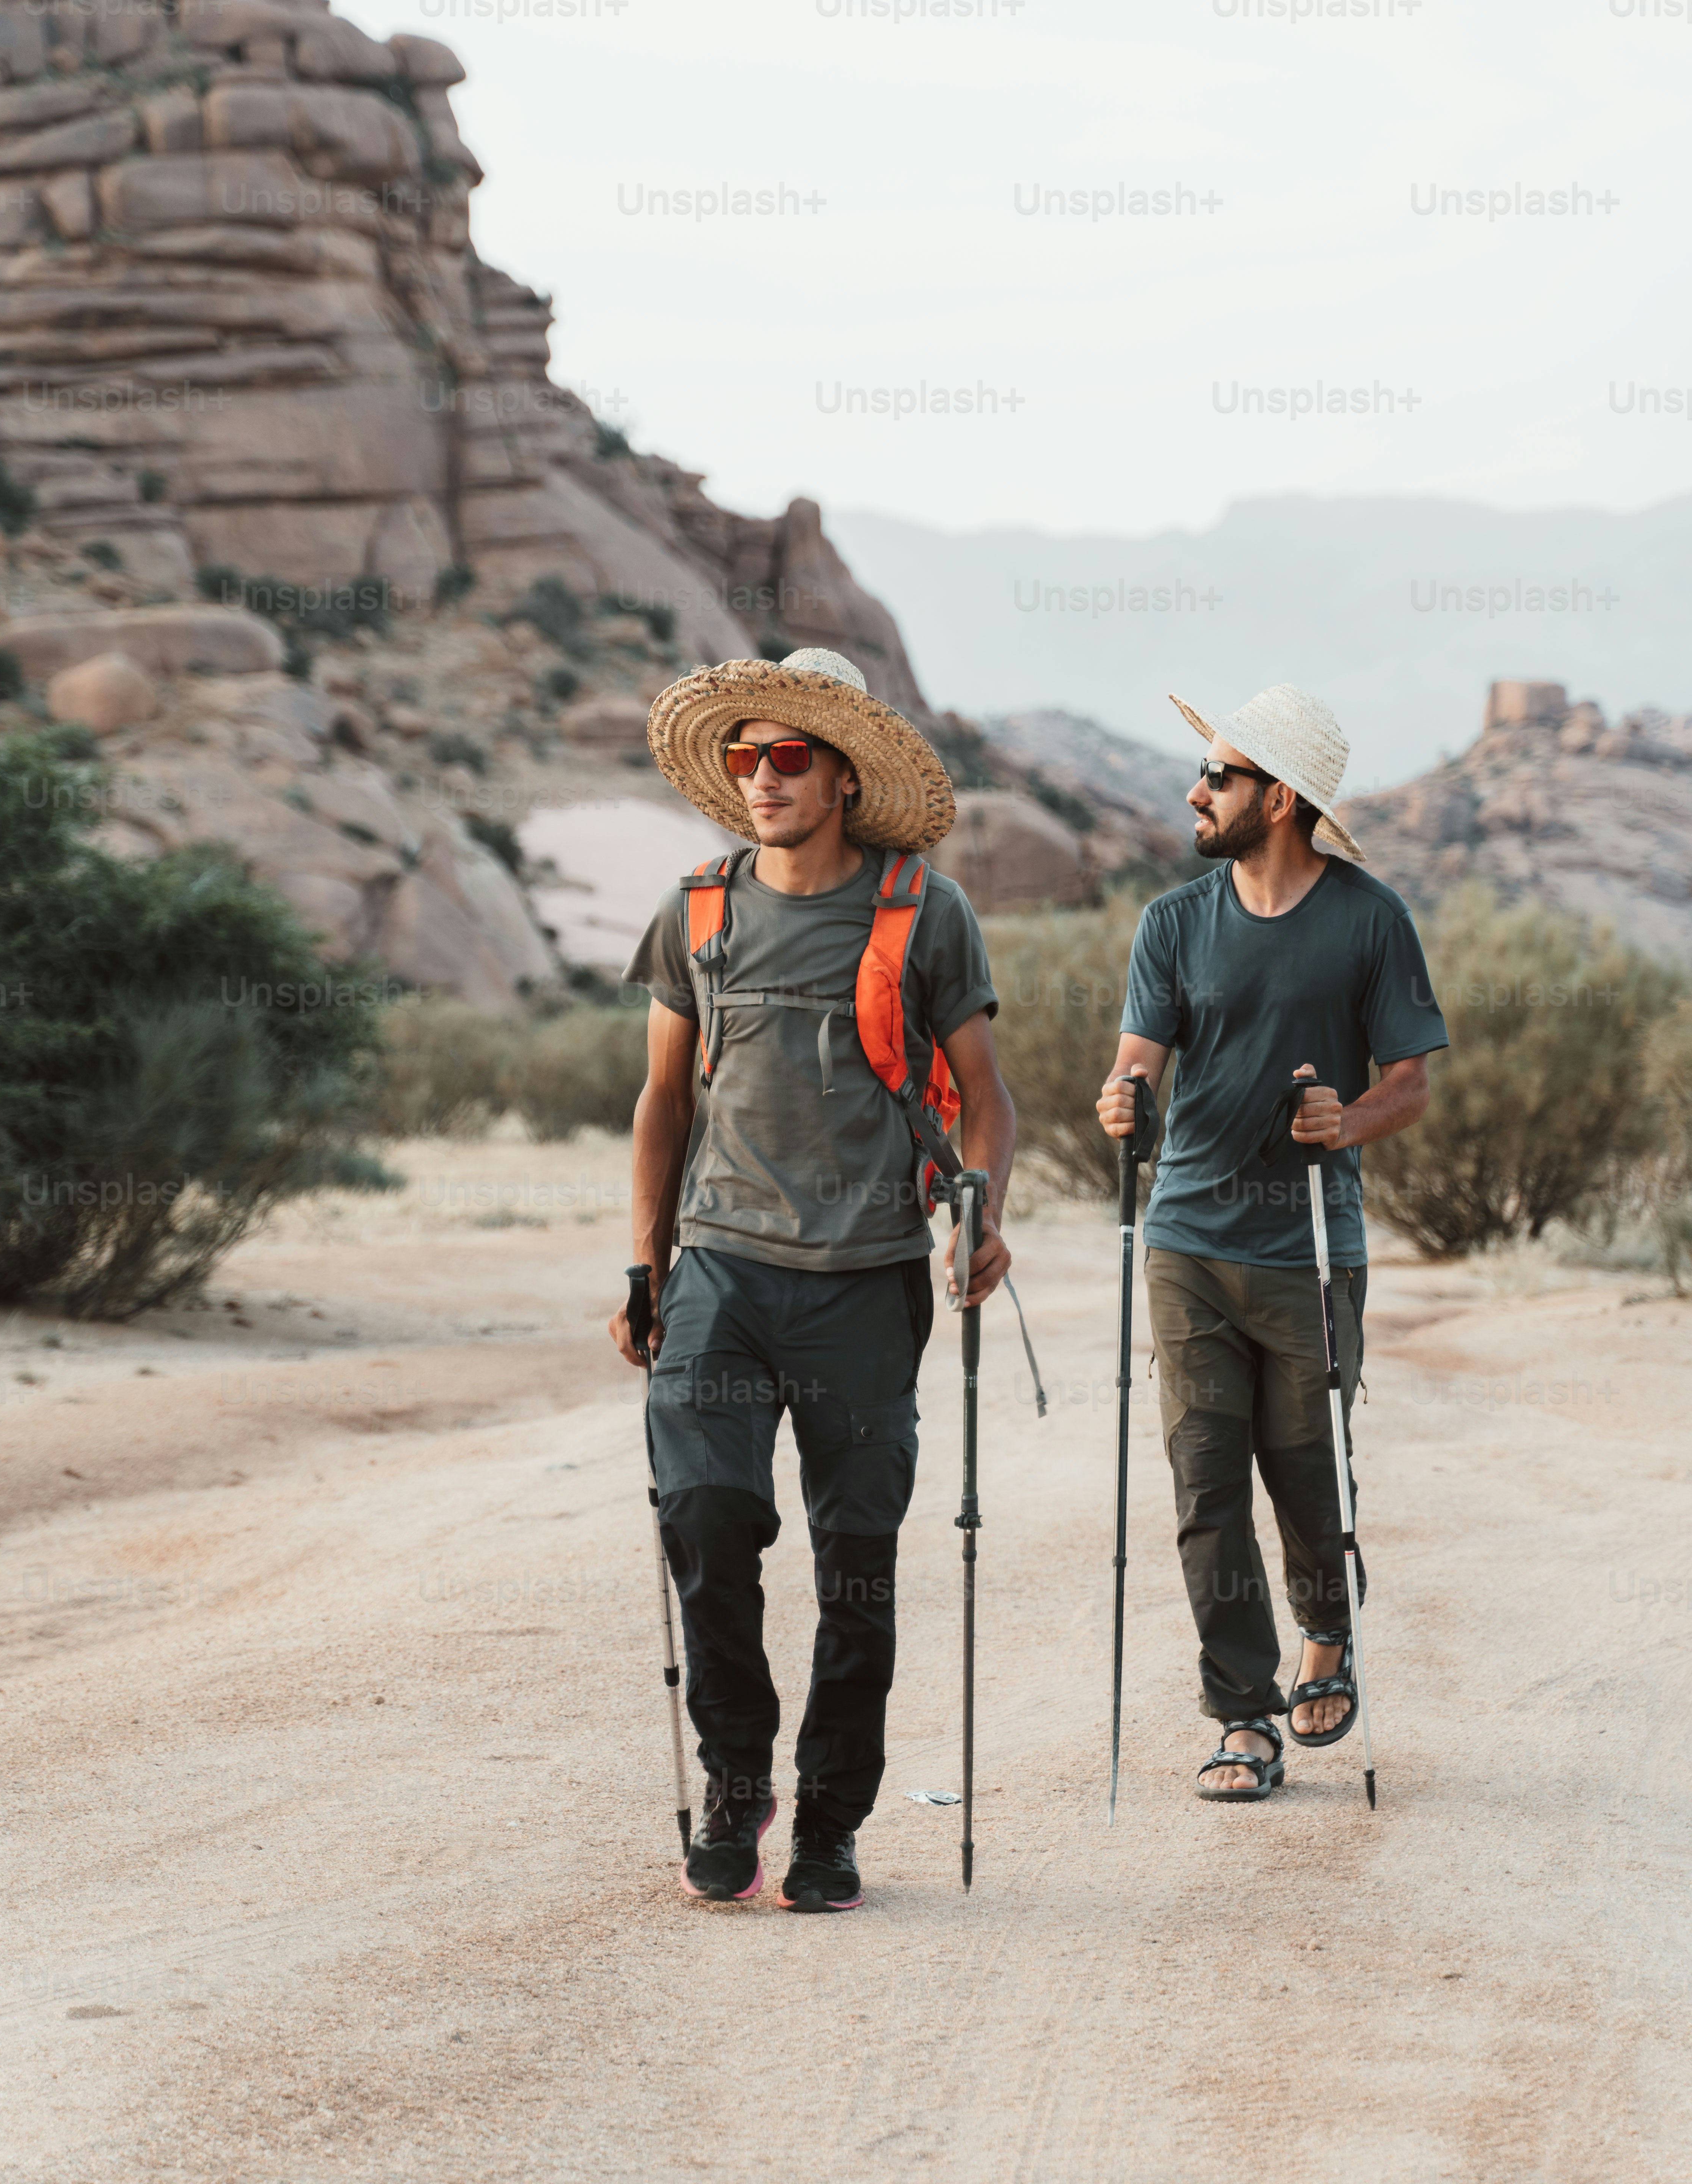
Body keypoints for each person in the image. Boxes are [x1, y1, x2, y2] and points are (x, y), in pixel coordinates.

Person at [611, 646, 1015, 1907]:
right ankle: (739, 1780)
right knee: (706, 1518)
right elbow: (663, 1100)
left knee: (857, 1560)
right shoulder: (698, 910)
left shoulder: (923, 913)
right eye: (746, 757)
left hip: (867, 1282)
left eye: (789, 756)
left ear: (843, 778)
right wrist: (644, 1263)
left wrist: (979, 1216)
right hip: (721, 1273)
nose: (762, 777)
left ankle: (830, 1824)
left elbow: (990, 1101)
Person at [1096, 684, 1448, 1801]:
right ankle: (1241, 1713)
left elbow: (1411, 1086)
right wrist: (1121, 1100)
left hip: (1309, 1244)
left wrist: (1347, 1119)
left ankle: (1328, 1636)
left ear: (1280, 798)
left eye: (1220, 775)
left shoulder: (1370, 919)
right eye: (1202, 772)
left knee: (1305, 1473)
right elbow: (1138, 1062)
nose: (1194, 792)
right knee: (1206, 1481)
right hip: (1190, 1236)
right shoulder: (1173, 922)